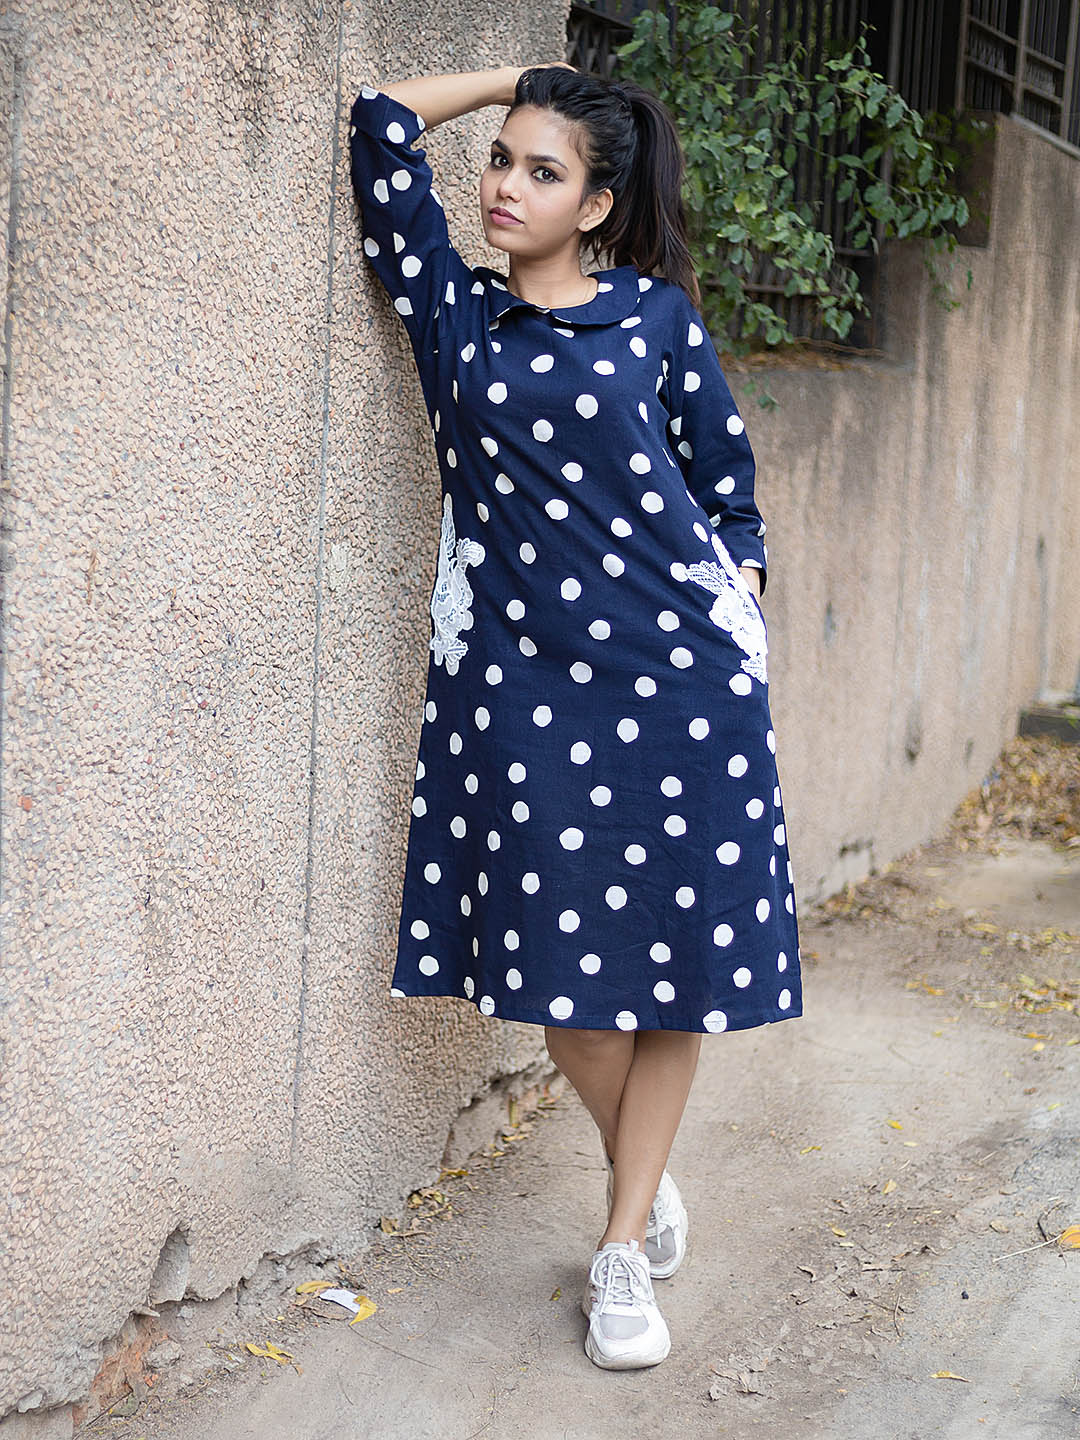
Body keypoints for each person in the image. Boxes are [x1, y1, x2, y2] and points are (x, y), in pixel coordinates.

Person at [348, 62, 803, 1371]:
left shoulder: (657, 323)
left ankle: (617, 1251)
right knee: (568, 993)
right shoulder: (457, 317)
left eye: (543, 169)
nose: (502, 185)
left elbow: (727, 483)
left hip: (687, 690)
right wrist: (532, 83)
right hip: (522, 694)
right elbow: (381, 126)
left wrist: (738, 612)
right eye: (502, 160)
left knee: (674, 980)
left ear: (597, 203)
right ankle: (640, 1174)